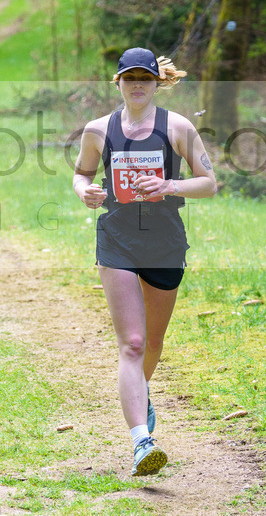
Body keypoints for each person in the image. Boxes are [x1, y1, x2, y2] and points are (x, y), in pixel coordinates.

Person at [72, 48, 217, 476]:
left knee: (152, 343)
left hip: (164, 241)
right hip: (117, 238)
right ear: (117, 82)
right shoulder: (98, 130)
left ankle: (141, 391)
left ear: (157, 83)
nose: (137, 85)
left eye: (145, 78)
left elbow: (209, 183)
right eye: (129, 78)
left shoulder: (178, 127)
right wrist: (84, 191)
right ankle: (141, 441)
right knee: (133, 343)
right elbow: (81, 173)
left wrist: (169, 186)